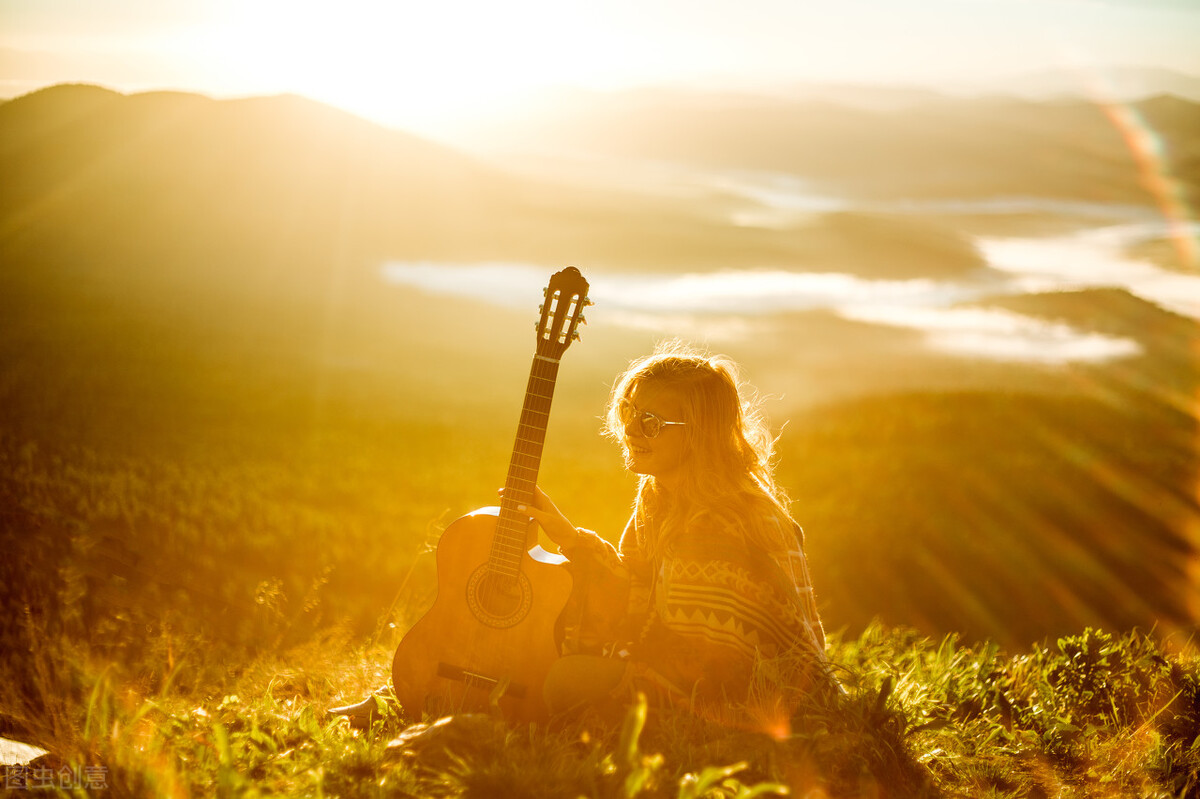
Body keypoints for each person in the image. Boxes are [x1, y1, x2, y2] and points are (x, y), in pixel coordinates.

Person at [522, 342, 833, 720]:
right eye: (628, 412)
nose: (631, 431)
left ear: (698, 434)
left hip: (748, 701)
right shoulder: (659, 496)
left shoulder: (718, 523)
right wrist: (568, 537)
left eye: (651, 422)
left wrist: (607, 669)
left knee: (560, 679)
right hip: (693, 676)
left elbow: (702, 669)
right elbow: (639, 587)